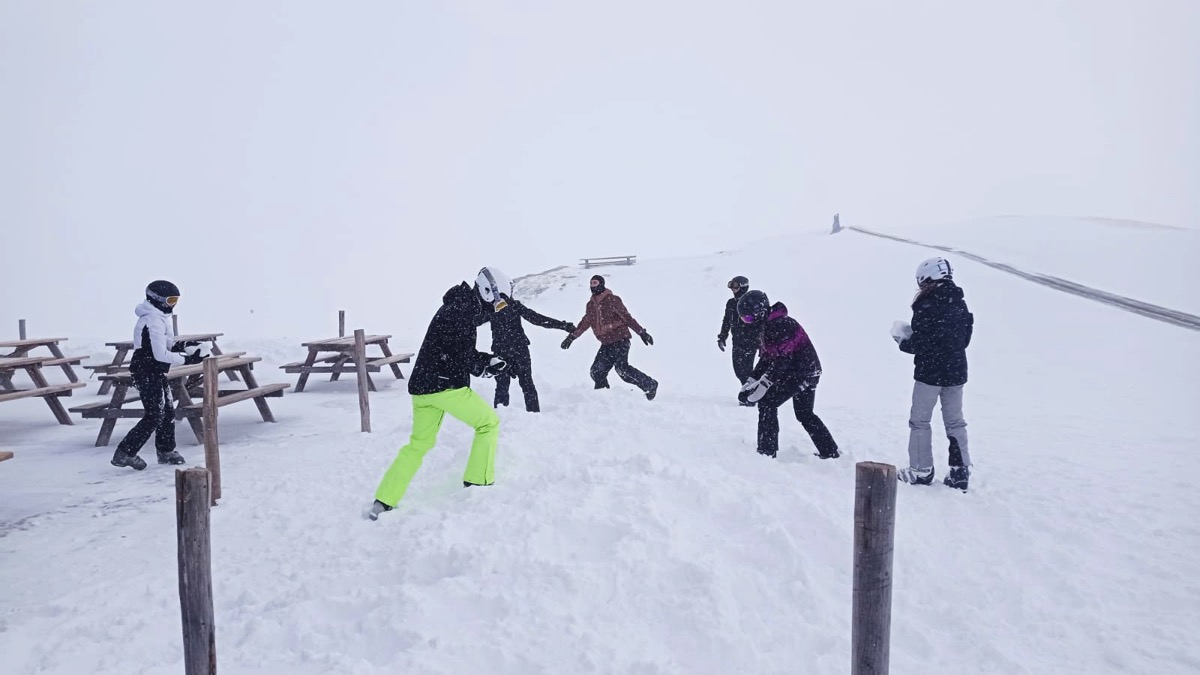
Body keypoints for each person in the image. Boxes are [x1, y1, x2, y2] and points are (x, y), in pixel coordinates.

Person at [367, 279, 509, 520]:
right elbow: (459, 355)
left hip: (424, 388)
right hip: (445, 386)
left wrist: (487, 361)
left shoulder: (457, 306)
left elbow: (458, 349)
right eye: (498, 302)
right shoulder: (461, 311)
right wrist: (484, 367)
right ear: (487, 292)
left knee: (419, 444)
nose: (496, 308)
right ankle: (479, 482)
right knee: (488, 424)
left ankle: (385, 499)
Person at [892, 257, 975, 491]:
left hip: (930, 373)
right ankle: (960, 472)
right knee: (955, 422)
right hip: (956, 372)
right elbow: (964, 340)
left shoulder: (927, 305)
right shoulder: (960, 304)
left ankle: (921, 470)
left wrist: (902, 340)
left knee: (920, 421)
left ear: (927, 279)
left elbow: (921, 343)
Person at [110, 280, 207, 471]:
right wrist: (188, 359)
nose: (173, 305)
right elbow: (160, 354)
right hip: (145, 371)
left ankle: (166, 451)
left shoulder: (159, 318)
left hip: (154, 370)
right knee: (155, 414)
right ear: (156, 299)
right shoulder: (152, 320)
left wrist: (185, 346)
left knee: (167, 410)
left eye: (176, 300)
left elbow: (165, 345)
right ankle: (125, 453)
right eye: (170, 300)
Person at [736, 290, 839, 460]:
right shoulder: (768, 326)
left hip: (802, 373)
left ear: (760, 312)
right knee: (804, 414)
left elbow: (782, 361)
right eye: (744, 319)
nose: (748, 323)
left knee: (768, 403)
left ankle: (766, 451)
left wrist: (764, 384)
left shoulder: (782, 326)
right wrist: (751, 380)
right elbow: (766, 358)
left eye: (748, 318)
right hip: (804, 371)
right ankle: (829, 451)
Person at [474, 266, 575, 412]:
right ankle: (529, 415)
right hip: (516, 350)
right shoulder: (505, 307)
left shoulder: (501, 307)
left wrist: (563, 325)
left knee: (507, 386)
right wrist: (563, 325)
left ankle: (504, 416)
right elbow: (537, 319)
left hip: (507, 351)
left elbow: (537, 319)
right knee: (523, 385)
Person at [561, 275, 658, 400]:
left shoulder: (612, 300)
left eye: (595, 283)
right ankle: (603, 397)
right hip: (606, 344)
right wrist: (571, 337)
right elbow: (584, 323)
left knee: (622, 369)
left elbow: (627, 318)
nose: (592, 286)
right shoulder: (590, 306)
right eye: (591, 283)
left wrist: (641, 332)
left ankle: (650, 385)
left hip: (620, 340)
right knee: (596, 371)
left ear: (601, 284)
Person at [717, 275, 760, 392]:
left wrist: (760, 341)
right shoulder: (731, 303)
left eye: (735, 286)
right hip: (736, 341)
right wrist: (722, 337)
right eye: (731, 285)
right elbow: (726, 321)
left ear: (743, 287)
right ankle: (750, 392)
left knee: (747, 371)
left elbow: (759, 323)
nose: (732, 289)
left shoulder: (750, 302)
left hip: (750, 342)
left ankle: (751, 394)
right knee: (739, 371)